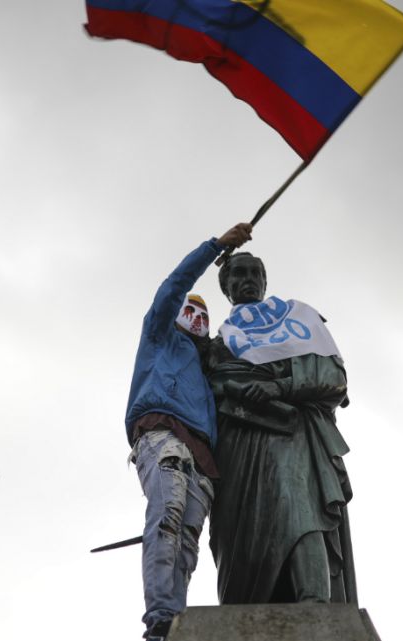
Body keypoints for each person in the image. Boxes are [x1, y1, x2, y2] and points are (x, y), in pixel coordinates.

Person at [206, 251, 357, 605]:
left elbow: (333, 378)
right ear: (226, 287)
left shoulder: (297, 323)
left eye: (255, 273)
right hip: (235, 445)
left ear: (265, 281)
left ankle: (314, 603)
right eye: (238, 273)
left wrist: (280, 387)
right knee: (236, 537)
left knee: (298, 509)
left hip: (292, 432)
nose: (248, 279)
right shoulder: (216, 345)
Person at [125, 223, 252, 640]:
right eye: (190, 311)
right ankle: (160, 616)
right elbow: (172, 288)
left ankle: (173, 622)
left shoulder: (208, 366)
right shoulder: (160, 337)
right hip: (162, 433)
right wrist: (216, 247)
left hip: (203, 456)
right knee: (168, 513)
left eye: (204, 315)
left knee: (188, 540)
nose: (196, 317)